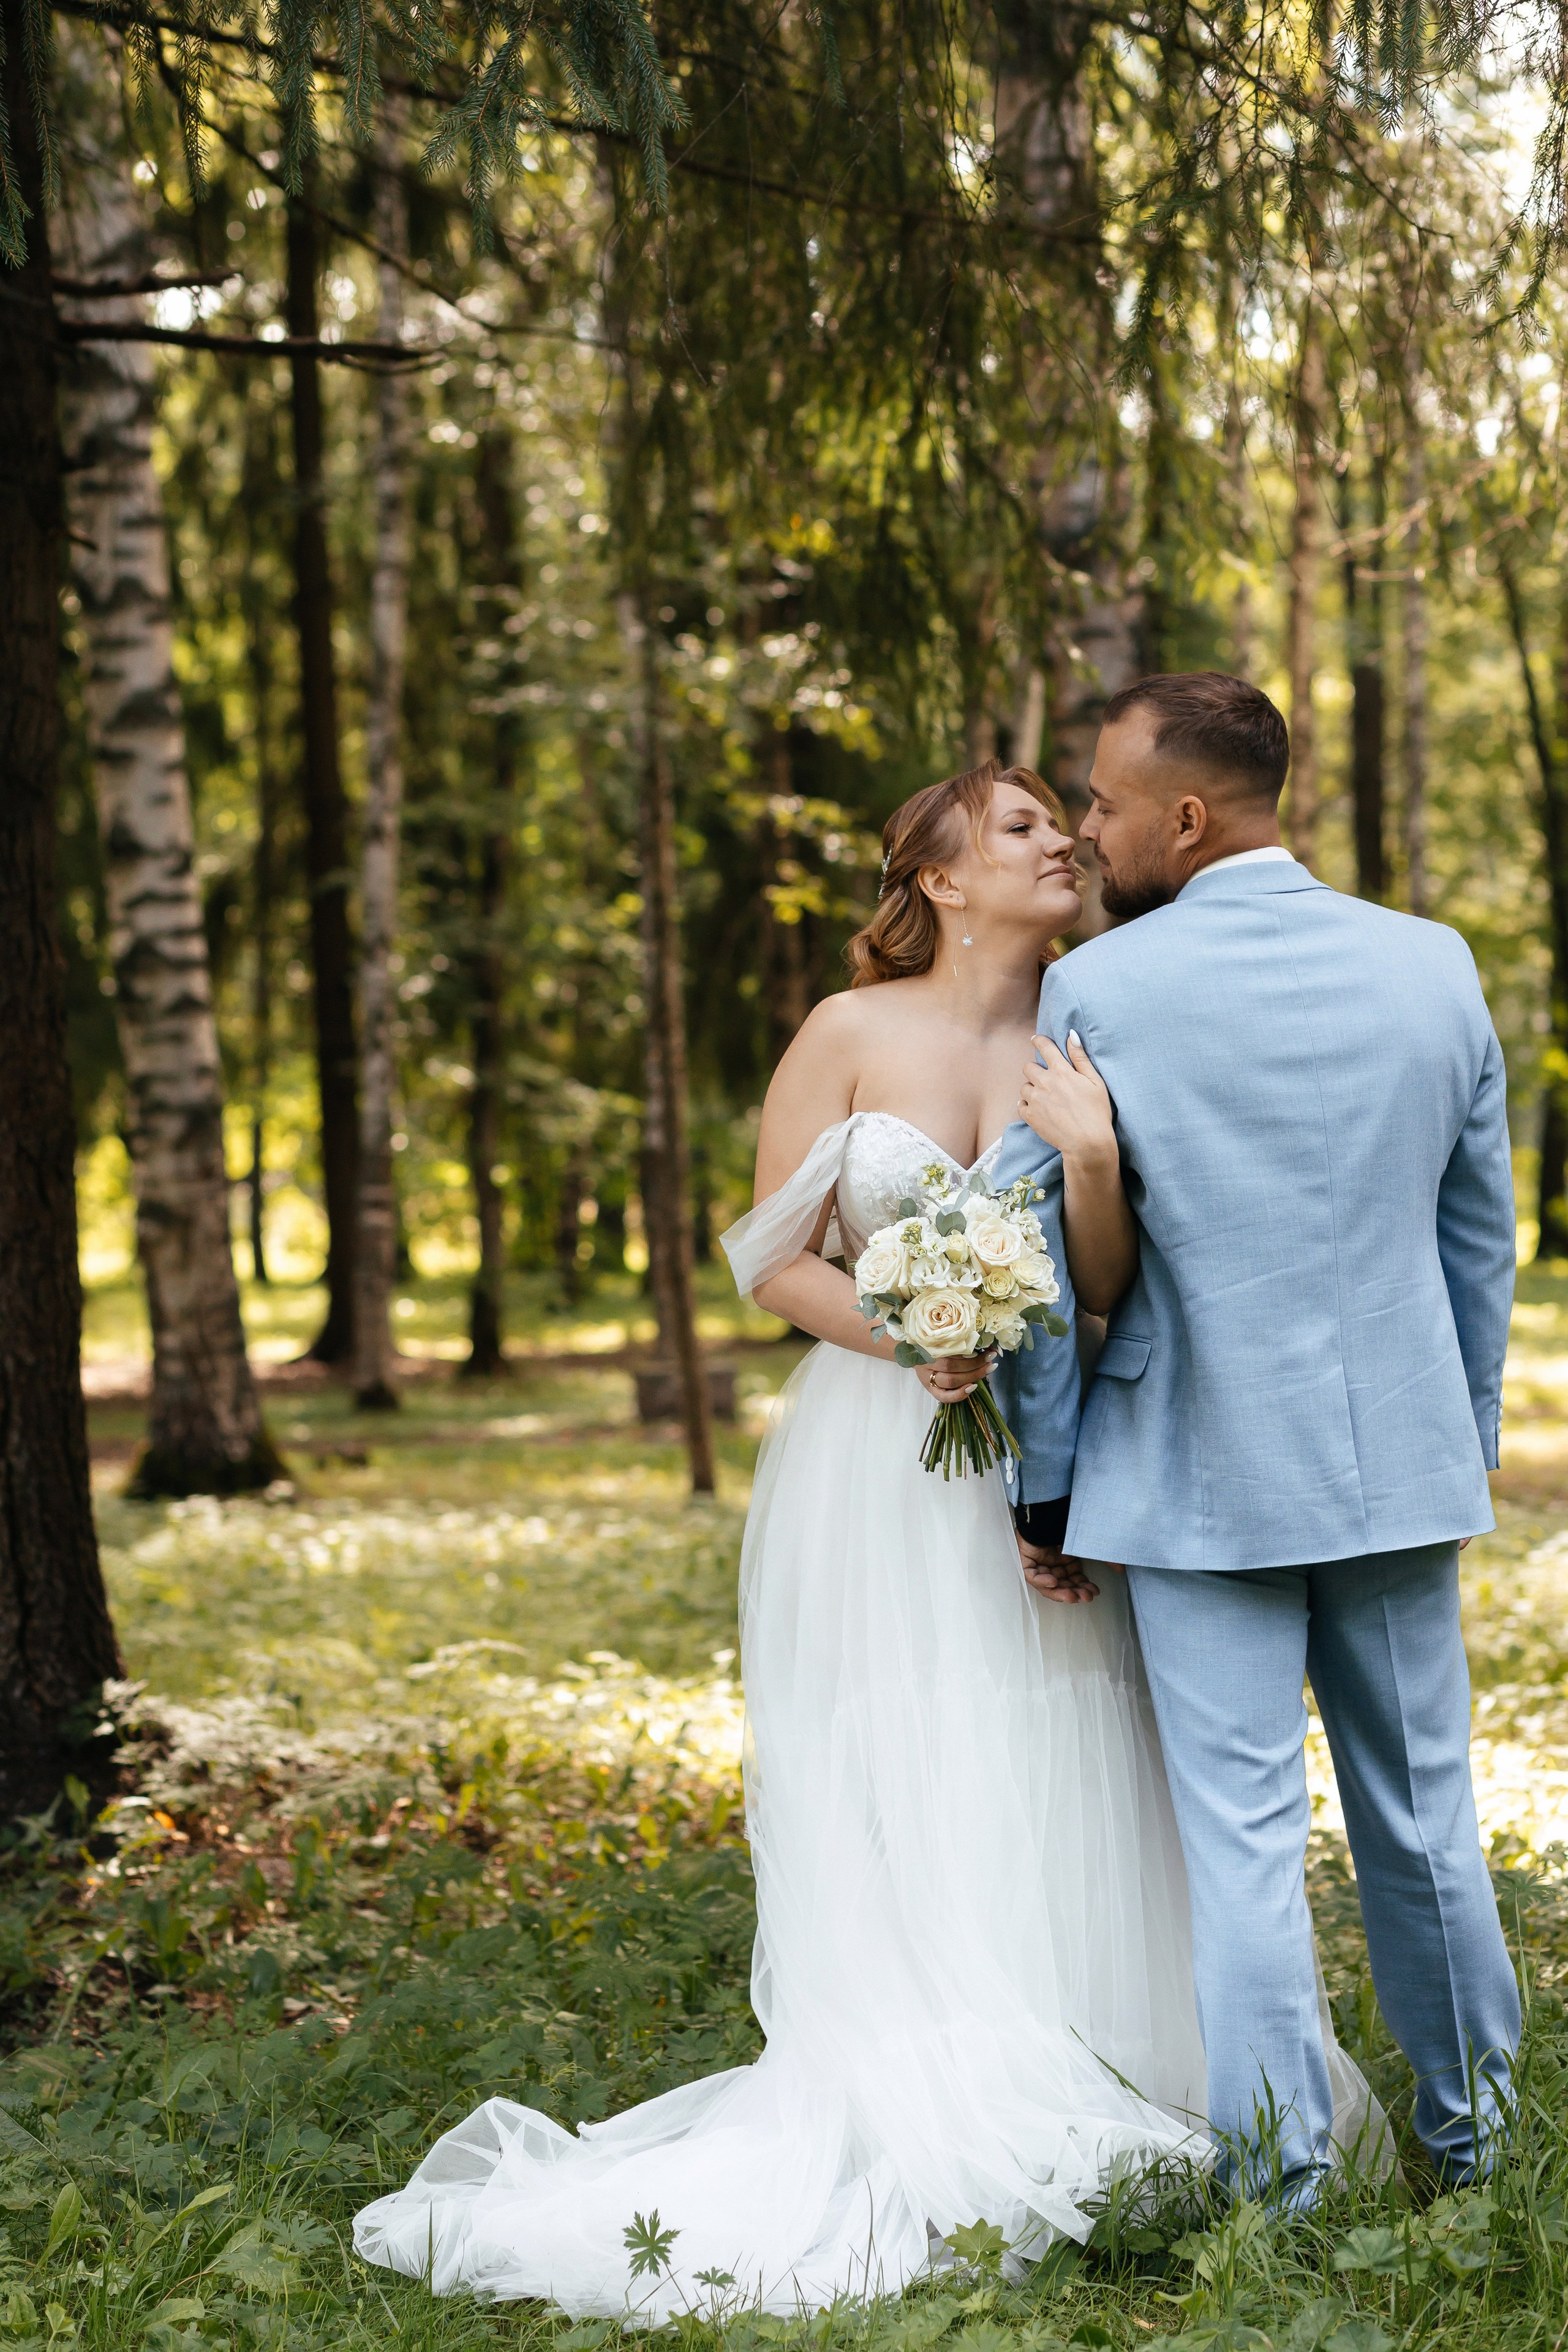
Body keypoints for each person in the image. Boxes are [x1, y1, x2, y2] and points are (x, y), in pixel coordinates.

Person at [354, 758, 1374, 2320]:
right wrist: (913, 1338)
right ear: (940, 877)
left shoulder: (1093, 1023)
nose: (1062, 842)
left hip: (1052, 1441)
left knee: (1069, 1731)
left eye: (1062, 822)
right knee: (913, 1736)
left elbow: (1106, 1281)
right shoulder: (845, 1030)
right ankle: (936, 2067)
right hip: (877, 1455)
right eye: (1021, 826)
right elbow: (771, 1258)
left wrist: (1088, 1164)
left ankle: (1102, 2052)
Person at [997, 671, 1520, 2203]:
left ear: (1183, 815)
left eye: (1101, 804)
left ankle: (1284, 2184)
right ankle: (1482, 2144)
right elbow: (1473, 1237)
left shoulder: (1102, 991)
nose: (1086, 832)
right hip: (1394, 1467)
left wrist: (1046, 1484)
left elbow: (1046, 1268)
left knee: (1237, 1841)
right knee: (1423, 1822)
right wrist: (1456, 1433)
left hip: (1189, 1475)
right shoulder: (1432, 964)